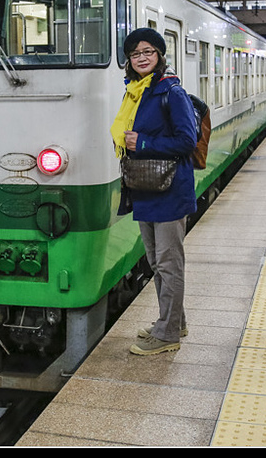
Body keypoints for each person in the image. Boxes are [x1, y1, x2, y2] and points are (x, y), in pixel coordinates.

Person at [109, 27, 198, 355]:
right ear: (129, 61)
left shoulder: (170, 92)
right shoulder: (135, 92)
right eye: (135, 54)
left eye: (148, 52)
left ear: (159, 55)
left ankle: (167, 334)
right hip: (146, 188)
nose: (142, 58)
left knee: (168, 262)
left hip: (170, 189)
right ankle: (175, 321)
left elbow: (187, 141)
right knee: (156, 260)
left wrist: (143, 142)